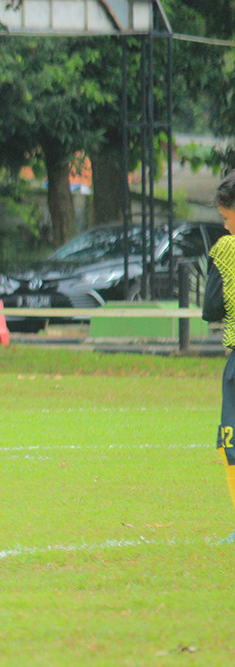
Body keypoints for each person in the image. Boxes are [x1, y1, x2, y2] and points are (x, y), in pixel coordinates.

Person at [204, 169, 235, 543]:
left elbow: (211, 307)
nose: (226, 227)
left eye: (227, 219)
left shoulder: (227, 250)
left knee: (232, 437)